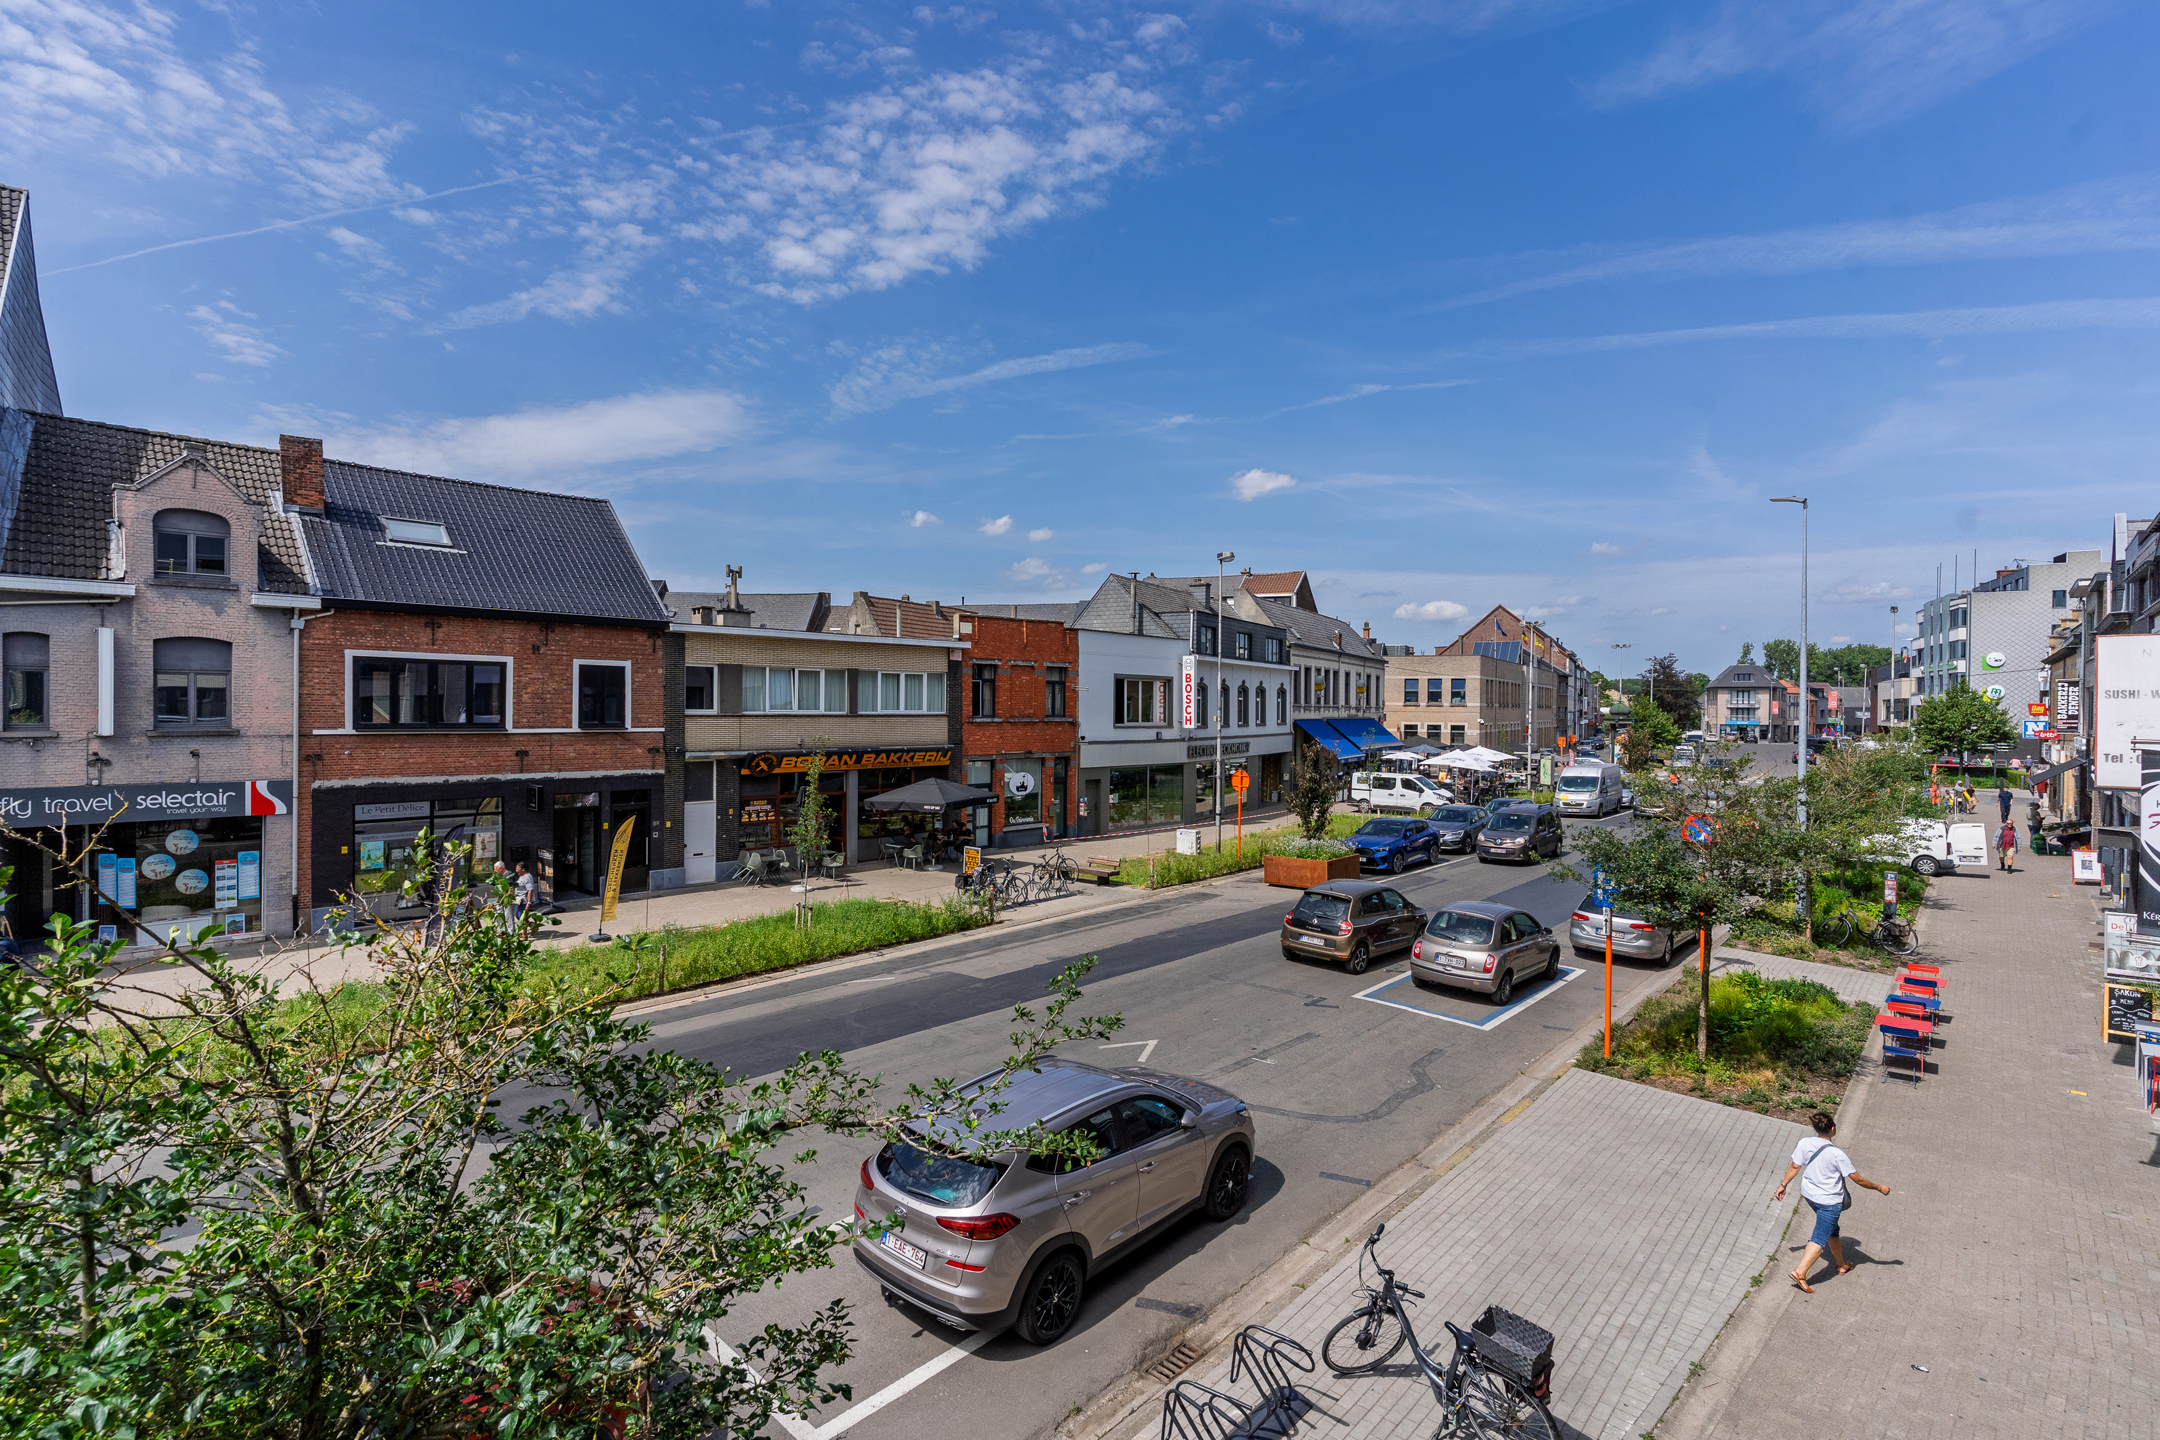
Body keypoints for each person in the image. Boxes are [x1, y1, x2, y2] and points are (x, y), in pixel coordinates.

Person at [1775, 1112, 1890, 1292]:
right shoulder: (1837, 1154)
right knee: (1819, 1238)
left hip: (1810, 1195)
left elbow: (1795, 1166)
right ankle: (1800, 1272)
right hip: (1829, 1203)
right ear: (1833, 1129)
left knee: (1832, 1229)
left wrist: (1783, 1185)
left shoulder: (1804, 1143)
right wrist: (1879, 1187)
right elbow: (1858, 1180)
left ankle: (1841, 1263)